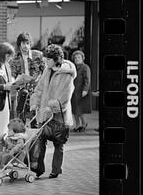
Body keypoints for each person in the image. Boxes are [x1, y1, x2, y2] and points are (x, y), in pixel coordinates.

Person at [30, 44, 77, 178]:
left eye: (48, 59)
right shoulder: (47, 70)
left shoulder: (67, 74)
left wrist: (51, 107)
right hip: (45, 114)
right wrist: (35, 103)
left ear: (56, 59)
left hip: (59, 116)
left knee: (58, 143)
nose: (45, 61)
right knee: (40, 139)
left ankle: (56, 170)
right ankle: (38, 169)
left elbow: (65, 98)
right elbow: (39, 89)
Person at [9, 32, 46, 123]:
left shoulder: (38, 55)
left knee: (35, 117)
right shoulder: (14, 58)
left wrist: (39, 79)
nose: (26, 46)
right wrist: (15, 81)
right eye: (23, 43)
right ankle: (23, 135)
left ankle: (36, 135)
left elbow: (45, 71)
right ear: (19, 44)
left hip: (36, 90)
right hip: (22, 90)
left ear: (30, 44)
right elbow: (12, 75)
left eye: (28, 43)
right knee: (21, 117)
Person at [71, 50, 92, 132]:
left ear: (82, 58)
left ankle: (83, 123)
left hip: (81, 91)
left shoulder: (85, 67)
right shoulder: (73, 67)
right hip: (73, 91)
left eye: (79, 57)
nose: (77, 59)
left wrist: (85, 90)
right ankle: (77, 124)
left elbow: (87, 80)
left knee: (79, 109)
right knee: (74, 109)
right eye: (75, 57)